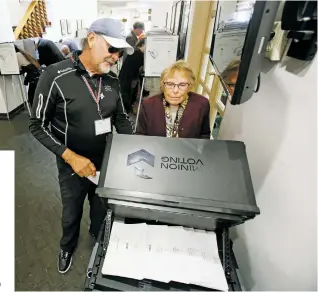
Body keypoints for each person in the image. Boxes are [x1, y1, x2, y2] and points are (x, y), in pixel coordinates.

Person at [29, 18, 134, 274]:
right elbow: (37, 125)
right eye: (112, 49)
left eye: (120, 53)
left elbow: (120, 118)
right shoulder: (55, 75)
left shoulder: (112, 81)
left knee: (101, 207)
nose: (116, 57)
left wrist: (133, 147)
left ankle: (98, 238)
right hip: (71, 164)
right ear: (91, 39)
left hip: (105, 161)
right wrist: (71, 157)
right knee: (72, 211)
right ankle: (67, 246)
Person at [136, 60, 211, 139]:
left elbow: (204, 135)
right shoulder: (148, 105)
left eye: (182, 85)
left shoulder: (202, 104)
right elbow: (140, 137)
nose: (175, 91)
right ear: (163, 85)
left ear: (190, 86)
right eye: (170, 84)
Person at [118, 38, 146, 112]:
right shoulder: (139, 55)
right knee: (127, 95)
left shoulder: (135, 51)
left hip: (125, 77)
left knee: (125, 94)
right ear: (142, 44)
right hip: (129, 78)